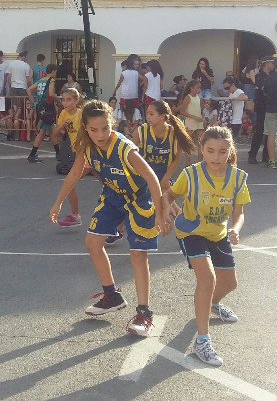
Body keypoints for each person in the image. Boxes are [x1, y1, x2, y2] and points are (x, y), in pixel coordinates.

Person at [48, 100, 166, 338]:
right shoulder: (86, 145)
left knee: (137, 253)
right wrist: (58, 201)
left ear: (112, 124)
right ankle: (112, 295)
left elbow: (152, 178)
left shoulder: (124, 148)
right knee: (92, 243)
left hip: (139, 199)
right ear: (85, 128)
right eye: (93, 130)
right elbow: (75, 172)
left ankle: (144, 312)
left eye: (105, 128)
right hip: (113, 196)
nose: (100, 134)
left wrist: (160, 212)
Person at [162, 125, 250, 367]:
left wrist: (235, 229)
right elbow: (168, 195)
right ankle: (202, 341)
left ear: (230, 151)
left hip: (218, 233)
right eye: (210, 151)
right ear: (202, 150)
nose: (216, 157)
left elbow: (239, 213)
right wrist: (164, 214)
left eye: (222, 152)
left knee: (230, 283)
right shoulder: (191, 174)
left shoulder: (237, 178)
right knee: (207, 279)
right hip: (191, 231)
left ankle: (211, 304)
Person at [133, 100, 195, 194]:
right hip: (143, 176)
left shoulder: (174, 133)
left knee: (167, 204)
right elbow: (129, 153)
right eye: (147, 114)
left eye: (151, 114)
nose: (147, 117)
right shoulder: (142, 130)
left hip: (163, 177)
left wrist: (166, 178)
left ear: (162, 116)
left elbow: (177, 159)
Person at [51, 87, 84, 227]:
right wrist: (62, 126)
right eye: (63, 100)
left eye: (69, 100)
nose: (65, 103)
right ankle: (75, 215)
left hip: (89, 152)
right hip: (78, 153)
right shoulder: (64, 113)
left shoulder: (82, 114)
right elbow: (54, 134)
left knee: (108, 183)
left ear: (76, 100)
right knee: (70, 183)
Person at [26, 63, 58, 163]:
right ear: (53, 71)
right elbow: (51, 94)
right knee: (47, 131)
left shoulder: (41, 80)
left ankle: (58, 153)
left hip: (41, 107)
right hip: (48, 107)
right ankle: (58, 153)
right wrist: (59, 101)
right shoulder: (51, 80)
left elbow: (29, 90)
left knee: (48, 130)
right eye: (55, 71)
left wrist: (34, 102)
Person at [247, 57, 274, 165]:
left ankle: (266, 156)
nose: (273, 65)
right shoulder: (259, 77)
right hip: (262, 107)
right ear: (266, 64)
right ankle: (252, 155)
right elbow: (264, 91)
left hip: (271, 107)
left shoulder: (272, 76)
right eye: (272, 63)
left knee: (269, 133)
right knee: (259, 132)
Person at [178, 80, 205, 162]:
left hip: (199, 123)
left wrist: (201, 116)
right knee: (188, 144)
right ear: (191, 88)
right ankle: (188, 163)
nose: (199, 89)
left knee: (201, 143)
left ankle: (200, 163)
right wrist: (194, 117)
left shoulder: (198, 97)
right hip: (190, 123)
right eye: (197, 88)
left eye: (200, 88)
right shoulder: (188, 97)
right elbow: (182, 111)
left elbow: (200, 109)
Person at [112, 59, 145, 126]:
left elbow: (119, 83)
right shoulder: (136, 73)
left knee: (122, 109)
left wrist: (114, 91)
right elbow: (144, 79)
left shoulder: (124, 73)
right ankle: (135, 122)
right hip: (134, 95)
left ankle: (123, 122)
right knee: (135, 110)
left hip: (125, 95)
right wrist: (139, 85)